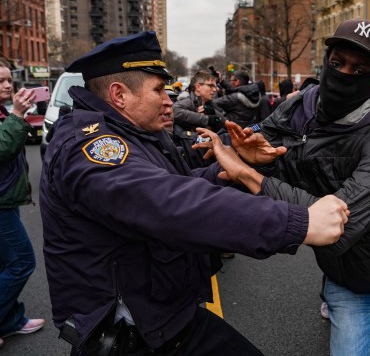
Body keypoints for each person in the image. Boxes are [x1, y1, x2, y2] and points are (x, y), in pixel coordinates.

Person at [39, 31, 349, 356]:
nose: (168, 99)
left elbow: (182, 183)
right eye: (158, 90)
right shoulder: (91, 148)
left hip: (166, 319)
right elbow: (168, 203)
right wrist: (299, 222)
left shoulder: (134, 132)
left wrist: (236, 163)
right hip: (134, 339)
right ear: (119, 95)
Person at [198, 19, 370, 355]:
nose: (343, 74)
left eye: (358, 68)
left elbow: (340, 222)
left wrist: (250, 175)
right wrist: (252, 156)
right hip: (346, 278)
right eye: (337, 63)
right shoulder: (302, 105)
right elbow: (262, 140)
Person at [0, 64, 46, 348]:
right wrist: (18, 115)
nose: (8, 85)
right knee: (22, 262)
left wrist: (17, 116)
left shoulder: (4, 111)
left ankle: (11, 321)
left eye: (8, 80)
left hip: (6, 199)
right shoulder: (8, 112)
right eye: (1, 81)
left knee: (6, 263)